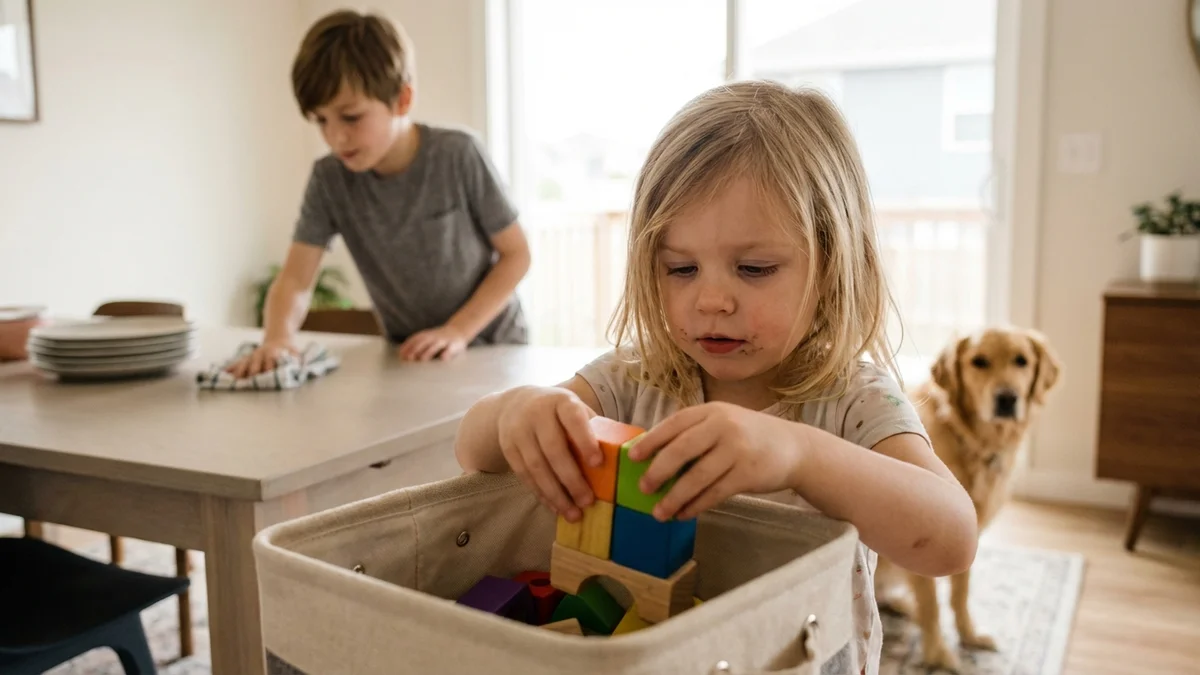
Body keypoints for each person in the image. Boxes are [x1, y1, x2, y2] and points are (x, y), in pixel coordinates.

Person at [453, 81, 978, 675]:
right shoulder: (631, 379)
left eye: (753, 269)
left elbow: (952, 539)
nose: (711, 300)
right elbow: (474, 452)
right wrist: (513, 412)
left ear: (832, 266)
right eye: (681, 268)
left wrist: (799, 454)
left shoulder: (854, 401)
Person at [228, 10, 530, 377]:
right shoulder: (329, 180)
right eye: (321, 120)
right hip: (410, 357)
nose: (335, 137)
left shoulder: (457, 154)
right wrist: (276, 337)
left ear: (402, 100)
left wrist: (457, 331)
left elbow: (517, 255)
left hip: (496, 348)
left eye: (351, 117)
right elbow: (294, 279)